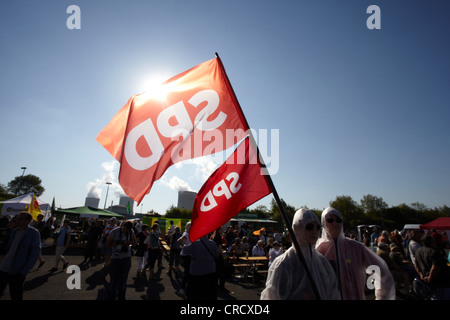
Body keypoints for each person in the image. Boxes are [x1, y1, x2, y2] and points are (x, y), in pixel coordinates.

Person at [316, 207, 395, 300]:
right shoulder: (318, 250)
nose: (335, 223)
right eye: (330, 220)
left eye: (338, 220)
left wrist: (382, 296)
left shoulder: (355, 247)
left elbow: (380, 270)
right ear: (323, 223)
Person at [261, 208, 340, 300]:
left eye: (318, 227)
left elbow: (333, 292)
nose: (315, 231)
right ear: (297, 228)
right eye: (309, 227)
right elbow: (273, 296)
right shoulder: (284, 264)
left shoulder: (322, 261)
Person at [0, 212, 41, 300]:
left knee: (16, 294)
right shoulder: (14, 231)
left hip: (18, 269)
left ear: (28, 221)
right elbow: (9, 248)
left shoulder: (33, 233)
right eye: (17, 218)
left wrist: (26, 270)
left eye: (20, 219)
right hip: (4, 266)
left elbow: (35, 253)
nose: (17, 220)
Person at [181, 235, 221, 300]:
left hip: (196, 271)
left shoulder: (195, 244)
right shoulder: (212, 243)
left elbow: (185, 251)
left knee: (196, 294)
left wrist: (183, 244)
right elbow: (217, 254)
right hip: (210, 270)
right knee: (209, 293)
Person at [106, 220, 136, 300]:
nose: (125, 231)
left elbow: (134, 242)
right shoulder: (114, 232)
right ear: (122, 225)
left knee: (123, 280)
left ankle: (121, 296)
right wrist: (115, 243)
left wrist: (127, 242)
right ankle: (111, 296)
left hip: (126, 258)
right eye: (125, 228)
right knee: (113, 280)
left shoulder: (130, 231)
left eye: (127, 229)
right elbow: (107, 244)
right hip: (115, 258)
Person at [414, 234, 450, 300]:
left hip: (426, 280)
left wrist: (421, 275)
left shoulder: (418, 251)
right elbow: (435, 267)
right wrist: (430, 277)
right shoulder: (433, 252)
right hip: (440, 282)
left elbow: (416, 264)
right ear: (432, 242)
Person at [177, 222, 191, 298]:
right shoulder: (186, 234)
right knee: (187, 273)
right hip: (187, 255)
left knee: (188, 273)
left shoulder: (186, 234)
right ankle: (183, 291)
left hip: (187, 254)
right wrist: (184, 247)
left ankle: (184, 290)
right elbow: (178, 241)